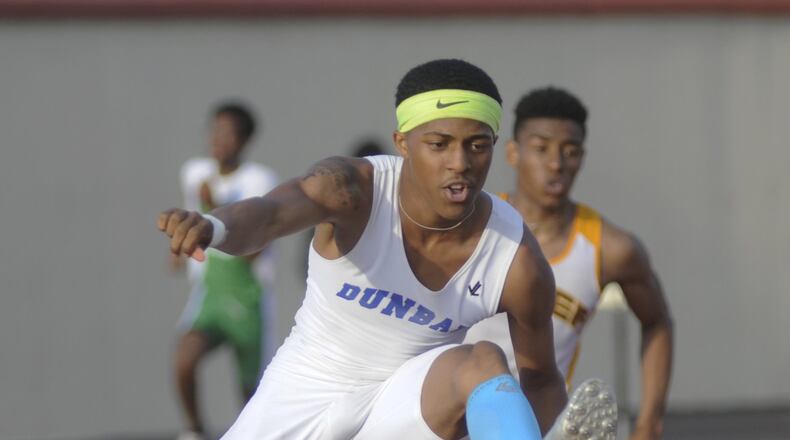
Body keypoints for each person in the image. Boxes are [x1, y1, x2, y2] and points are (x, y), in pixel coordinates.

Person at [158, 60, 616, 439]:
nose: (460, 163)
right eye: (439, 144)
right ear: (402, 143)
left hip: (404, 406)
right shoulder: (354, 190)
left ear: (495, 147)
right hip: (305, 389)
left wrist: (550, 426)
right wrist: (214, 227)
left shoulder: (515, 258)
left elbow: (540, 378)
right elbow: (268, 215)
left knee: (483, 361)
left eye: (477, 146)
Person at [464, 87, 673, 440]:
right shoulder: (472, 222)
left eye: (570, 152)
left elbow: (658, 322)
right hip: (455, 411)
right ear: (513, 152)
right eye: (541, 148)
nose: (556, 164)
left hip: (540, 421)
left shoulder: (610, 248)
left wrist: (648, 422)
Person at [171, 102, 279, 440]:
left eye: (228, 133)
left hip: (247, 296)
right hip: (210, 293)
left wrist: (211, 207)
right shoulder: (194, 173)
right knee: (184, 358)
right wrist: (178, 246)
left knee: (250, 395)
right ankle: (194, 430)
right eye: (215, 131)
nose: (218, 140)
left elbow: (254, 249)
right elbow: (191, 223)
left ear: (245, 141)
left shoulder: (259, 179)